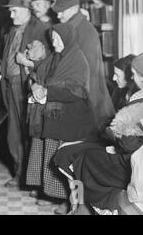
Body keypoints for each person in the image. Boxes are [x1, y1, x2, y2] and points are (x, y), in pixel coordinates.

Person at [53, 53, 143, 215]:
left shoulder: (137, 99)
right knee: (66, 152)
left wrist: (112, 135)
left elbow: (128, 140)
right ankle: (76, 203)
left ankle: (82, 205)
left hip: (125, 153)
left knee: (79, 158)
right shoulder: (121, 93)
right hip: (116, 145)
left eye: (118, 74)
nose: (114, 78)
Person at [26, 23, 98, 215]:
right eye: (52, 38)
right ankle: (56, 197)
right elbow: (38, 76)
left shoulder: (77, 60)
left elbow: (77, 91)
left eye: (57, 39)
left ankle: (69, 201)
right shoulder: (57, 56)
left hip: (72, 120)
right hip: (56, 116)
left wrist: (48, 92)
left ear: (66, 39)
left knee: (64, 162)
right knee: (52, 157)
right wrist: (35, 86)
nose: (53, 42)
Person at [0, 0, 50, 188]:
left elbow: (49, 64)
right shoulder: (12, 30)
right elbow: (7, 56)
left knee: (30, 133)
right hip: (10, 84)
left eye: (14, 11)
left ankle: (33, 179)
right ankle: (20, 172)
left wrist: (26, 61)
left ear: (27, 10)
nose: (11, 15)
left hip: (29, 86)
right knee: (13, 132)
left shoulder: (42, 29)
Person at [52, 0, 115, 130]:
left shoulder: (85, 31)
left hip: (87, 100)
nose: (58, 16)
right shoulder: (73, 28)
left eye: (61, 11)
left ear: (75, 8)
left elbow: (86, 72)